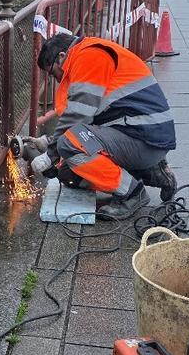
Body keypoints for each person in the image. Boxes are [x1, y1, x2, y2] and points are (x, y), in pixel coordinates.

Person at [25, 28, 177, 219]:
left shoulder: (90, 56)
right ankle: (151, 172)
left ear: (62, 56)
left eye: (54, 73)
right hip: (141, 135)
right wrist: (49, 142)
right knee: (67, 174)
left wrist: (51, 154)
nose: (56, 79)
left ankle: (131, 194)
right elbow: (90, 121)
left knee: (69, 147)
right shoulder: (87, 54)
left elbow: (78, 116)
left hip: (144, 139)